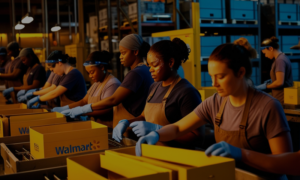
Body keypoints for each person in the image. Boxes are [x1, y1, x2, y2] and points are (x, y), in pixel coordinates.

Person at [136, 43, 292, 179]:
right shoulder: (215, 102)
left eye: (221, 76)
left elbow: (286, 164)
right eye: (211, 76)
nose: (214, 83)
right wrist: (157, 134)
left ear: (240, 72)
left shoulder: (268, 107)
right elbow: (178, 128)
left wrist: (244, 155)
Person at [112, 38, 204, 149]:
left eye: (154, 65)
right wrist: (126, 123)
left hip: (175, 157)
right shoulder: (154, 87)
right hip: (152, 152)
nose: (150, 70)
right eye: (149, 65)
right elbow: (144, 116)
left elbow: (196, 136)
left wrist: (157, 130)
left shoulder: (186, 92)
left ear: (170, 62)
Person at [60, 34, 153, 137]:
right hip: (130, 128)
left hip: (131, 130)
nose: (120, 57)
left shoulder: (135, 73)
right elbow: (85, 100)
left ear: (135, 52)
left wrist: (83, 110)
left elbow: (113, 100)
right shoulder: (144, 70)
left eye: (123, 53)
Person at [55, 51, 121, 127]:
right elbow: (84, 101)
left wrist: (82, 112)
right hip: (95, 125)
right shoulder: (97, 83)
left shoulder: (112, 84)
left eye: (92, 72)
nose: (90, 76)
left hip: (107, 128)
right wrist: (66, 108)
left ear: (102, 67)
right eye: (88, 73)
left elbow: (107, 110)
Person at [256, 36, 293, 105]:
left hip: (282, 100)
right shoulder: (280, 58)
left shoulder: (280, 60)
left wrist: (265, 86)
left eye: (265, 53)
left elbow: (279, 82)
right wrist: (271, 81)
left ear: (270, 48)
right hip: (280, 99)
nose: (266, 56)